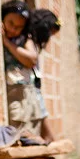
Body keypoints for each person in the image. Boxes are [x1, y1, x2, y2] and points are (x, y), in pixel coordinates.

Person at [1, 0, 45, 138]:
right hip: (11, 94)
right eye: (10, 23)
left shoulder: (24, 39)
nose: (13, 29)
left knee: (28, 136)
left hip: (25, 94)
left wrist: (8, 44)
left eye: (19, 27)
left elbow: (31, 59)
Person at [27, 9, 62, 142]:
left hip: (34, 81)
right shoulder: (28, 40)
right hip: (29, 83)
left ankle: (47, 137)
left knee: (40, 109)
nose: (49, 37)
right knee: (39, 109)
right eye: (51, 34)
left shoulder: (34, 42)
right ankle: (48, 137)